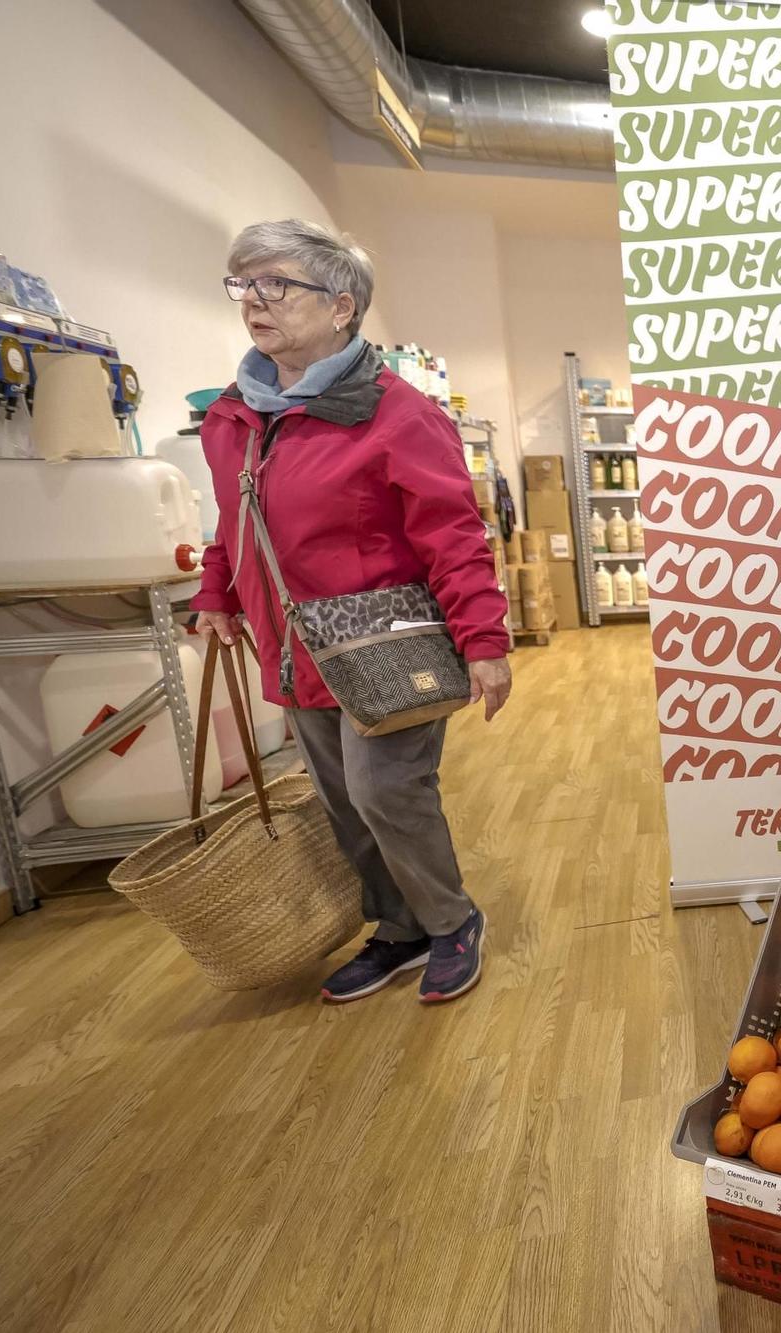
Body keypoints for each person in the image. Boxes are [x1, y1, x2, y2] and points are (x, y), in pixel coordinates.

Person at [191, 219, 511, 1005]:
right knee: (339, 800)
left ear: (341, 307)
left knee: (384, 790)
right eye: (244, 284)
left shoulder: (396, 414)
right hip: (294, 646)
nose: (254, 302)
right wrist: (216, 591)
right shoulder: (237, 415)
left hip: (383, 645)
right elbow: (235, 521)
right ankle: (397, 926)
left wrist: (484, 639)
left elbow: (453, 533)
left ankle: (451, 919)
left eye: (275, 285)